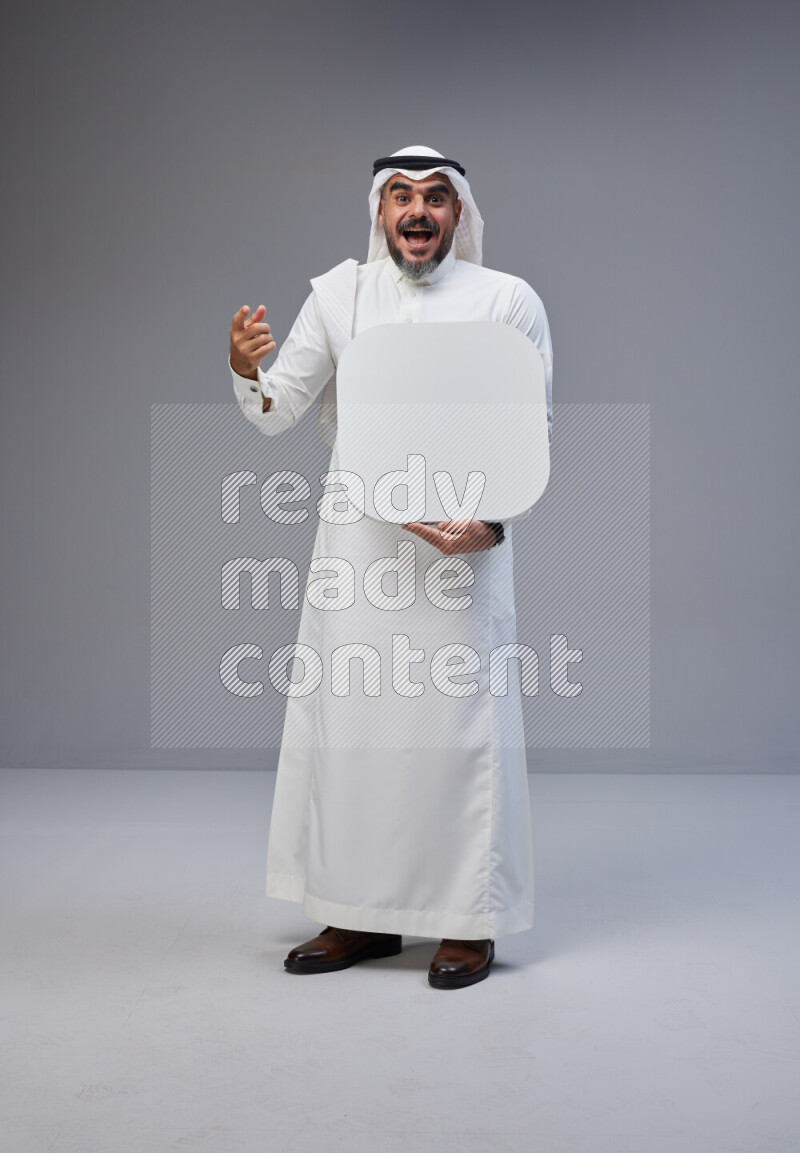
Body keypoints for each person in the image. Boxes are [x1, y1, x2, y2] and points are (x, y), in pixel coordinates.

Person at [228, 146, 553, 989]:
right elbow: (277, 410)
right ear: (379, 211)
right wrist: (243, 367)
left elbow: (532, 428)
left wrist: (487, 526)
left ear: (459, 215)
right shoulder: (340, 296)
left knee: (454, 735)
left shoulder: (507, 301)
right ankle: (357, 913)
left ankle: (466, 922)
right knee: (357, 731)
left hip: (458, 552)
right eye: (401, 196)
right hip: (360, 547)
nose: (417, 211)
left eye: (436, 198)